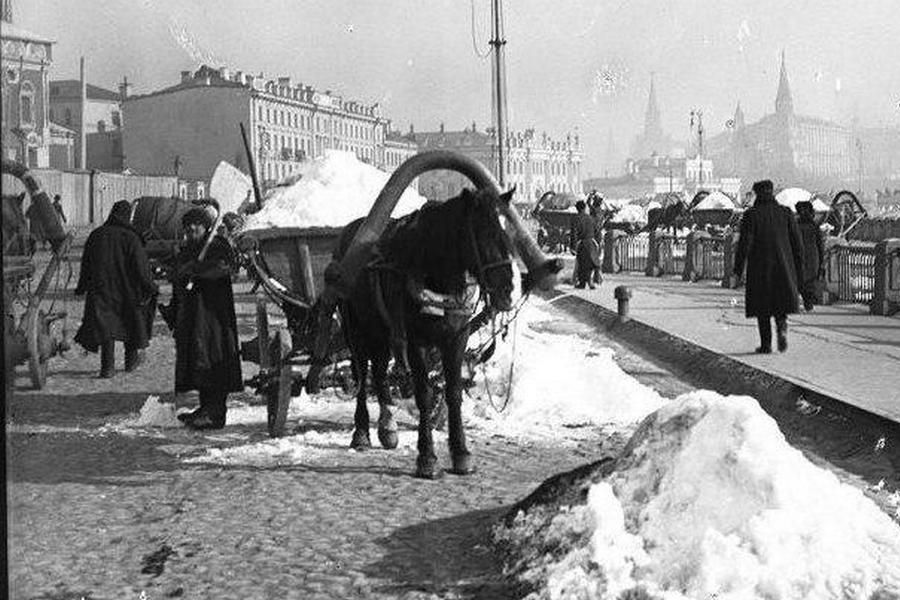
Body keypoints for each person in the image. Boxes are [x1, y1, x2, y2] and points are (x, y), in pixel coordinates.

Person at [172, 208, 242, 430]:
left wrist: (198, 270)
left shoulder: (218, 246)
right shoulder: (192, 248)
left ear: (206, 227)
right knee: (199, 361)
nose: (192, 229)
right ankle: (205, 408)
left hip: (213, 317)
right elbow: (178, 270)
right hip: (195, 316)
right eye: (188, 225)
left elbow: (223, 268)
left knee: (213, 361)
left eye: (197, 225)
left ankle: (216, 413)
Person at [74, 200, 158, 377]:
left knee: (106, 328)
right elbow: (141, 268)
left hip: (101, 290)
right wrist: (150, 287)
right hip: (127, 292)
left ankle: (108, 367)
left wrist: (82, 287)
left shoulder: (96, 235)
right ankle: (131, 362)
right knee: (131, 323)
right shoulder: (131, 238)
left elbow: (86, 264)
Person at [733, 180, 804, 354]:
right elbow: (797, 243)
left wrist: (738, 268)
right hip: (783, 265)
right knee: (780, 303)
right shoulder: (785, 213)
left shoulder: (752, 215)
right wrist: (798, 267)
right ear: (772, 193)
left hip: (760, 267)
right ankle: (782, 329)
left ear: (757, 194)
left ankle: (766, 344)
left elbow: (745, 244)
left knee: (762, 307)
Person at [795, 200, 825, 311]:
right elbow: (820, 246)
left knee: (799, 282)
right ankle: (809, 306)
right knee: (810, 284)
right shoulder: (814, 227)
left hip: (798, 258)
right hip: (813, 259)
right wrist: (822, 262)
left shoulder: (795, 226)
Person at [569, 200, 601, 289]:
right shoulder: (591, 218)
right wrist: (598, 243)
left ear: (577, 208)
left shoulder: (575, 219)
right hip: (592, 243)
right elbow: (598, 232)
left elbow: (573, 234)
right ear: (584, 208)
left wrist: (573, 247)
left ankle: (583, 283)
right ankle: (589, 281)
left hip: (582, 244)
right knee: (591, 263)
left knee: (582, 263)